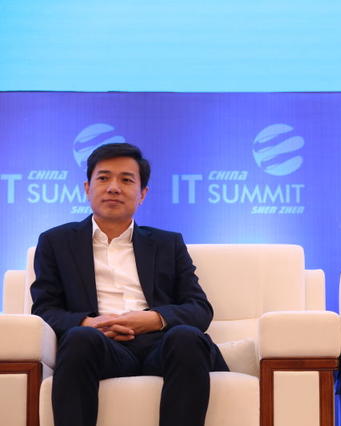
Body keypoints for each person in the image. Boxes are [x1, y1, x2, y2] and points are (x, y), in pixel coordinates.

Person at [30, 143, 228, 426]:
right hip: (99, 347)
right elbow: (45, 310)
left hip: (161, 345)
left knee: (187, 337)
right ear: (87, 188)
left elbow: (199, 308)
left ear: (142, 194)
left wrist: (153, 319)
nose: (113, 188)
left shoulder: (167, 243)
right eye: (103, 178)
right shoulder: (56, 242)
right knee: (79, 338)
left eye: (126, 180)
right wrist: (89, 323)